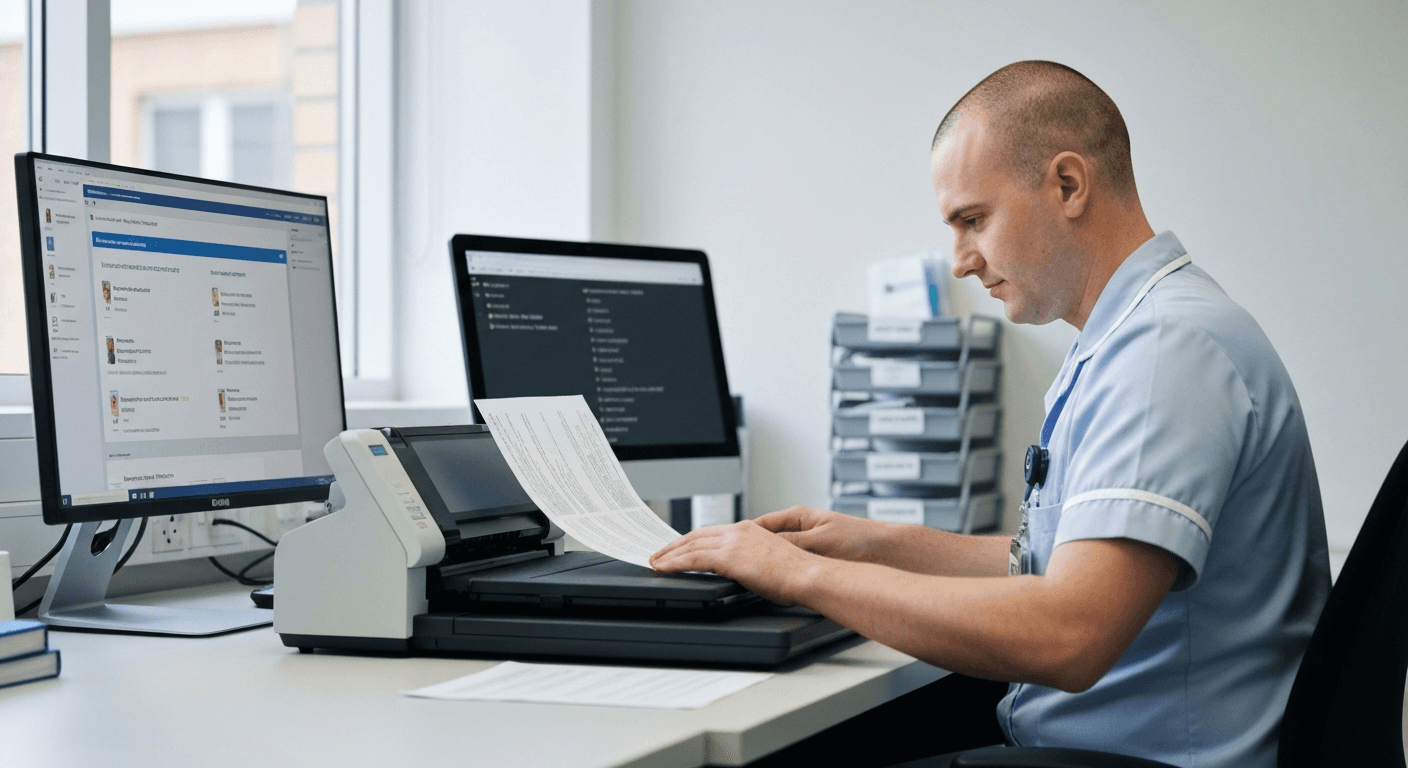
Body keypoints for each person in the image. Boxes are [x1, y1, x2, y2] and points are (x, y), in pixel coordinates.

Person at [651, 61, 1330, 768]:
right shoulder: (1137, 335)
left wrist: (798, 576)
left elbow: (1069, 632)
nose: (961, 261)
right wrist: (870, 543)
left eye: (973, 220)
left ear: (1068, 185)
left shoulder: (1165, 353)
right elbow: (1057, 564)